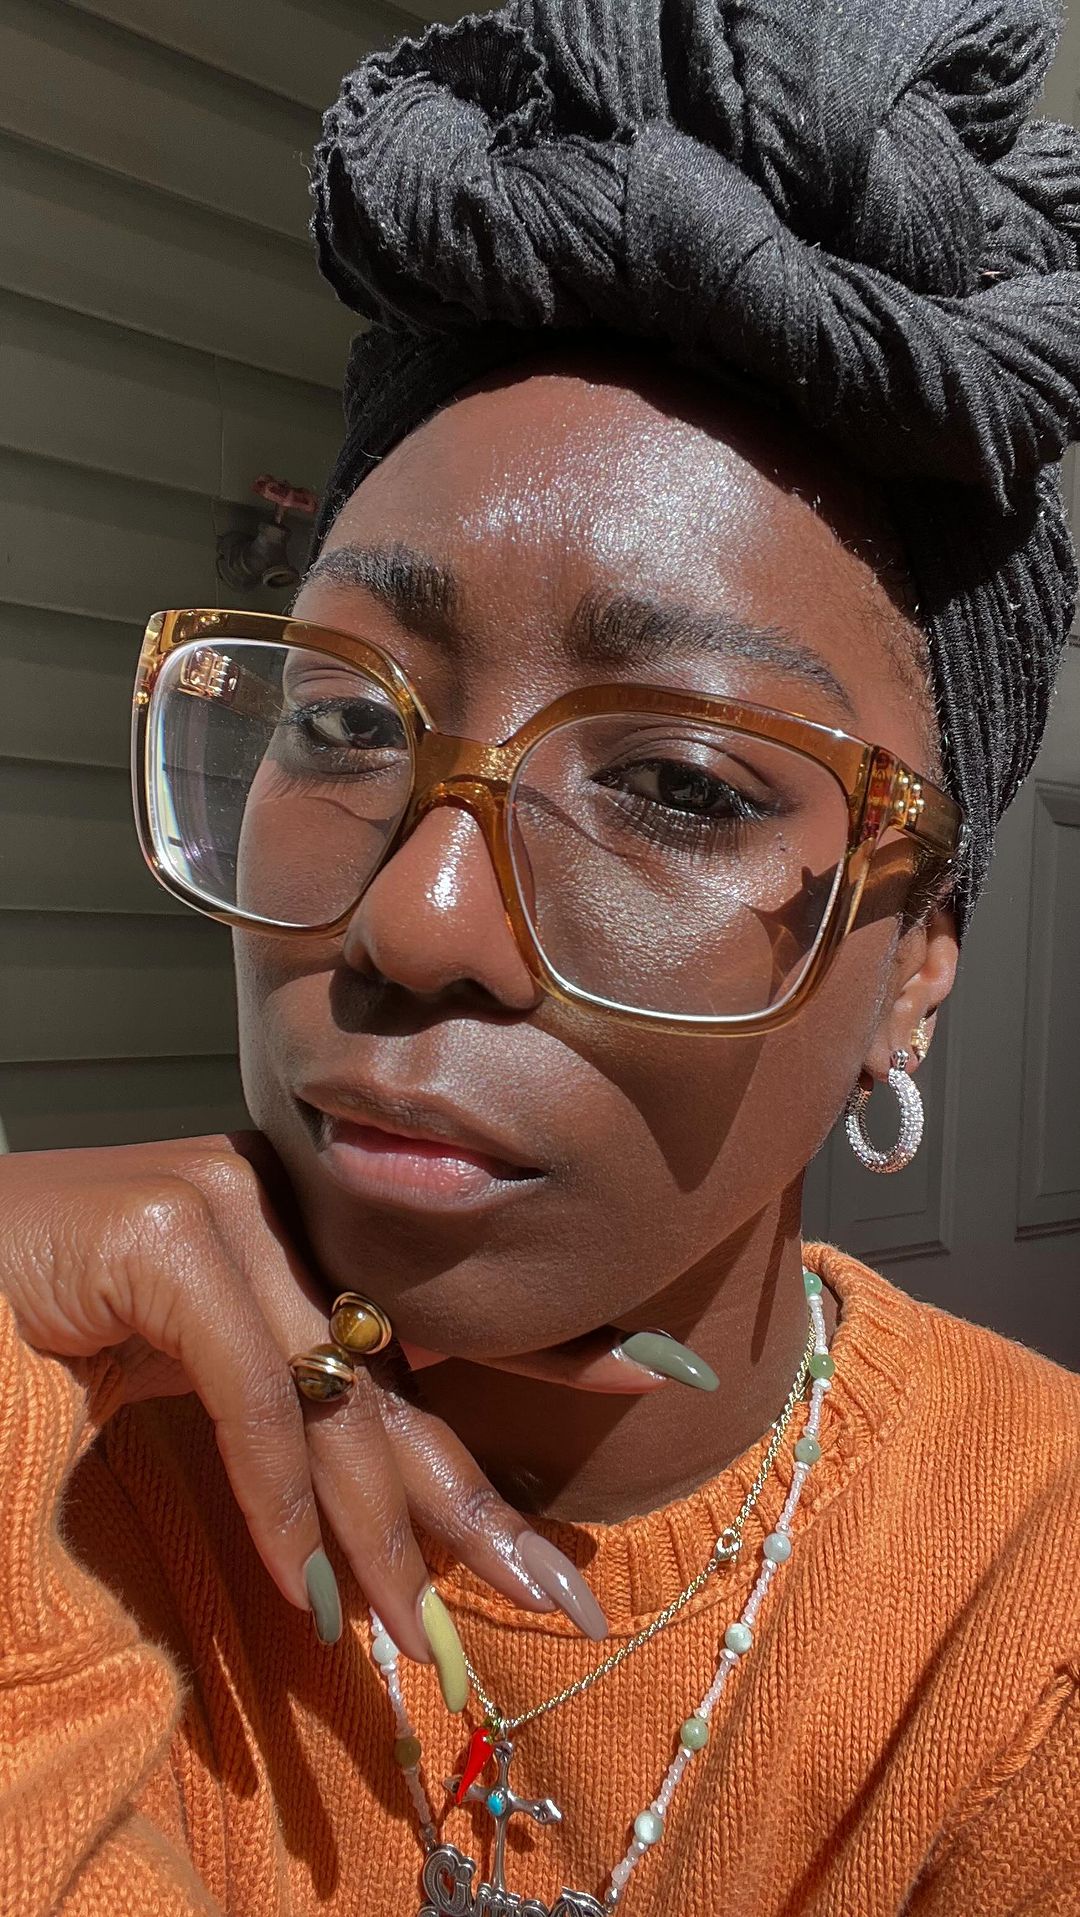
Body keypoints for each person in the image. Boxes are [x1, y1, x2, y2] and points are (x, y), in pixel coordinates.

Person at [2, 1, 1079, 1912]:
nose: (414, 919)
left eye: (677, 782)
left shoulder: (1026, 1625)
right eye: (346, 722)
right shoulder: (55, 1480)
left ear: (916, 957)